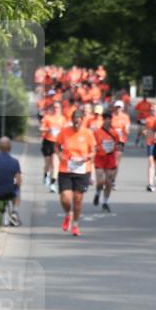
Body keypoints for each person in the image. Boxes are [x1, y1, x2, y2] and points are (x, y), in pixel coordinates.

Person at [55, 108, 96, 236]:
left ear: (82, 121)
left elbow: (93, 151)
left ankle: (76, 224)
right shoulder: (64, 132)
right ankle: (68, 214)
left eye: (78, 122)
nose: (76, 125)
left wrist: (88, 157)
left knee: (78, 200)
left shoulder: (87, 133)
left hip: (82, 170)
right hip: (66, 168)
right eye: (74, 122)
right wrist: (59, 155)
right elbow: (56, 146)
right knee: (65, 198)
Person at [92, 109, 120, 212]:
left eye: (109, 119)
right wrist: (97, 148)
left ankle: (105, 202)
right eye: (106, 119)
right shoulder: (97, 132)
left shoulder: (115, 133)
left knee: (108, 182)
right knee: (100, 181)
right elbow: (93, 145)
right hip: (99, 158)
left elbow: (118, 144)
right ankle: (97, 193)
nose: (108, 121)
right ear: (103, 120)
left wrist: (117, 147)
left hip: (110, 158)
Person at [39, 100, 66, 191]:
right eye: (54, 107)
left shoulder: (63, 119)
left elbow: (65, 131)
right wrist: (48, 129)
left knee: (55, 164)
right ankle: (45, 175)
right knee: (48, 163)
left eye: (57, 107)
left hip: (57, 143)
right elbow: (41, 128)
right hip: (48, 142)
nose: (56, 109)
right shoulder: (47, 117)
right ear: (52, 108)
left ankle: (53, 183)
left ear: (60, 108)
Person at [143, 101, 156, 191]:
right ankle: (150, 184)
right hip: (151, 143)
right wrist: (146, 132)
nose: (152, 109)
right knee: (151, 162)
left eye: (154, 108)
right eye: (151, 108)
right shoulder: (148, 119)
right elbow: (145, 130)